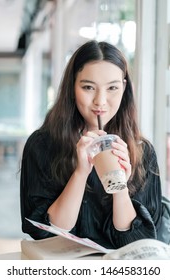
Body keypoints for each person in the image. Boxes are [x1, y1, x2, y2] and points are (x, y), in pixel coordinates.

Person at [20, 40, 163, 249]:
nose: (100, 101)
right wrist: (80, 172)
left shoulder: (142, 151)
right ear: (72, 87)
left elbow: (140, 243)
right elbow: (45, 234)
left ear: (123, 88)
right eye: (88, 87)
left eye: (112, 88)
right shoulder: (42, 145)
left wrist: (120, 186)